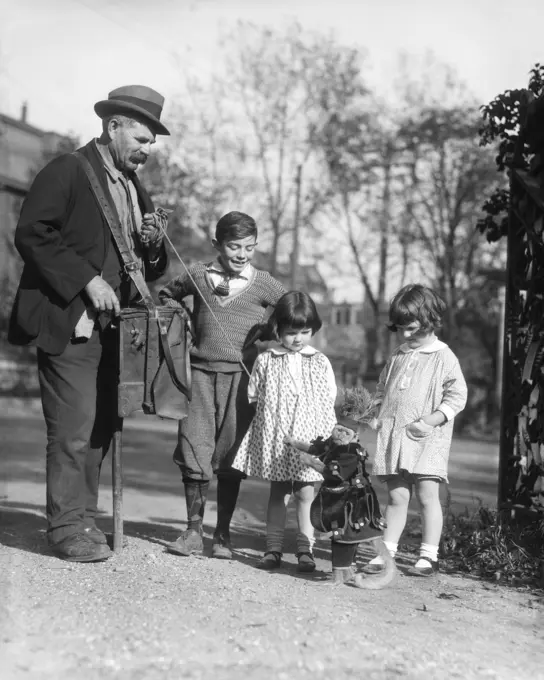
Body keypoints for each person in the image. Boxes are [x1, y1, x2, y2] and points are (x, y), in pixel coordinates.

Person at [9, 85, 171, 562]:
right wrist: (86, 280)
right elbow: (32, 233)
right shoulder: (68, 170)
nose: (147, 150)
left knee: (100, 428)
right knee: (73, 429)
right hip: (71, 323)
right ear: (112, 126)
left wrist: (153, 244)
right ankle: (64, 528)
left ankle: (83, 519)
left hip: (116, 332)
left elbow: (146, 268)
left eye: (151, 144)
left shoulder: (135, 188)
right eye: (140, 140)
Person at [158, 211, 286, 560]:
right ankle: (193, 531)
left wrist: (271, 331)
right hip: (198, 376)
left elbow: (293, 309)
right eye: (234, 246)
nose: (242, 254)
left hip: (240, 381)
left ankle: (223, 535)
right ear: (217, 244)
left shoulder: (263, 283)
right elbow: (167, 294)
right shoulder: (198, 273)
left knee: (231, 454)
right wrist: (179, 319)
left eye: (249, 247)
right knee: (194, 448)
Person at [364, 284, 468, 577]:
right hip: (395, 437)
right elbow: (383, 388)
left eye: (411, 328)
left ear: (430, 320)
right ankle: (387, 553)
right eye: (400, 329)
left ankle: (428, 556)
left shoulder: (443, 356)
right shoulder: (398, 354)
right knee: (397, 496)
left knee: (426, 496)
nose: (406, 335)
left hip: (426, 438)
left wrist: (432, 420)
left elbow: (458, 395)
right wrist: (375, 412)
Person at [231, 291, 337, 573]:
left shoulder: (319, 361)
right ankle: (273, 548)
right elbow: (254, 395)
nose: (298, 338)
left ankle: (306, 550)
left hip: (308, 441)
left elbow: (329, 400)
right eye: (291, 332)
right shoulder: (267, 360)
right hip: (278, 439)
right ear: (278, 329)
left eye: (305, 331)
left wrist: (325, 441)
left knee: (305, 494)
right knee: (279, 494)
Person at [287, 401, 397, 589]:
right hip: (344, 499)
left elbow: (333, 474)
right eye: (338, 430)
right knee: (346, 537)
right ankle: (347, 573)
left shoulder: (350, 451)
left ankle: (339, 577)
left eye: (345, 433)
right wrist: (294, 443)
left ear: (355, 436)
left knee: (343, 536)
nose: (339, 435)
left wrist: (311, 463)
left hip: (353, 505)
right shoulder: (336, 443)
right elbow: (318, 450)